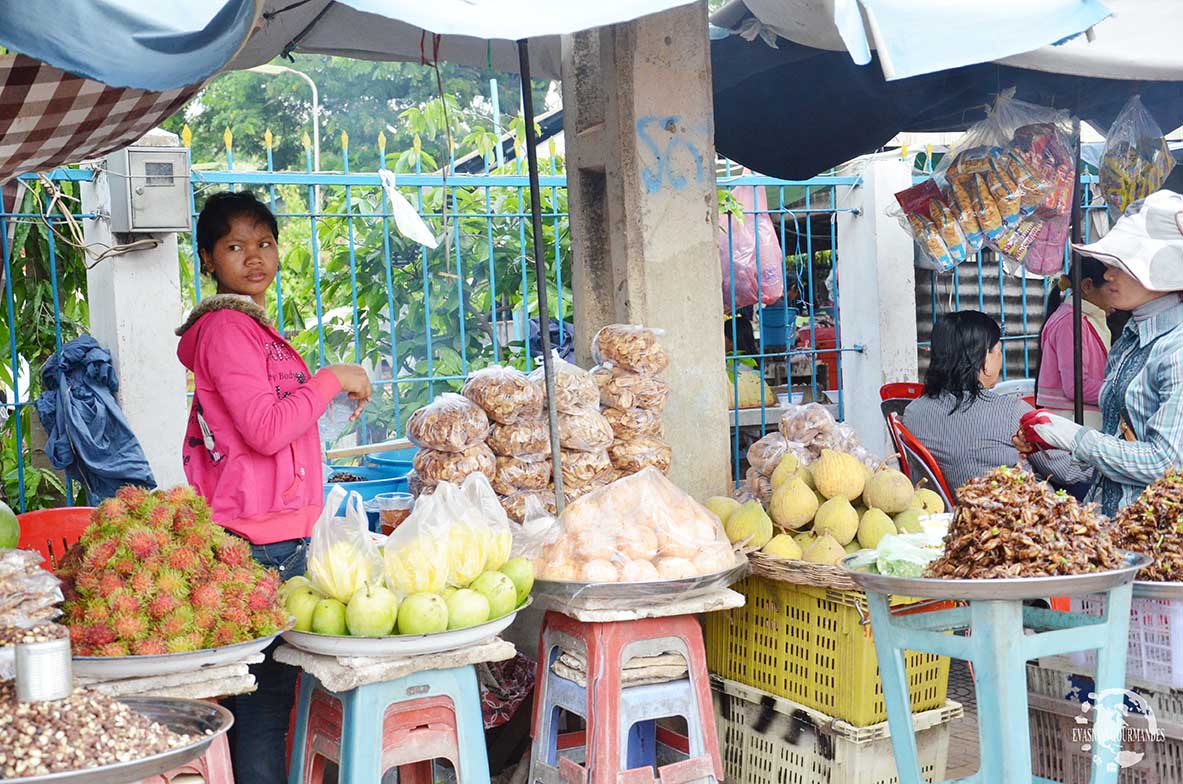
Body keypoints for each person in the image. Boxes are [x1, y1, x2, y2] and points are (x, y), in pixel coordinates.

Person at [175, 191, 371, 782]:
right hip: (259, 548)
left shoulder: (255, 329)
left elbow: (279, 422)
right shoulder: (227, 329)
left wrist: (323, 405)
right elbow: (264, 430)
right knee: (262, 713)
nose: (254, 257)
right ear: (209, 259)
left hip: (284, 538)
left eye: (264, 243)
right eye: (235, 246)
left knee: (276, 708)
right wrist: (331, 378)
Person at [1020, 190, 1183, 517]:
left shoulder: (1176, 348)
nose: (1108, 274)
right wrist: (1057, 437)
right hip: (1110, 518)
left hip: (1155, 533)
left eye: (1123, 265)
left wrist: (1075, 437)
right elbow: (1117, 431)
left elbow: (1167, 464)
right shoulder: (1130, 338)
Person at [904, 310, 1091, 498]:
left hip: (954, 512)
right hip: (1021, 517)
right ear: (982, 358)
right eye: (999, 352)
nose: (1001, 359)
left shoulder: (913, 412)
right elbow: (1066, 472)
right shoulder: (1012, 413)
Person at [1035, 259, 1112, 429]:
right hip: (1073, 422)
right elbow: (1076, 387)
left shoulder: (1082, 318)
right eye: (1112, 289)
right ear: (1087, 286)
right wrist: (1120, 390)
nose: (1116, 297)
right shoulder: (1071, 322)